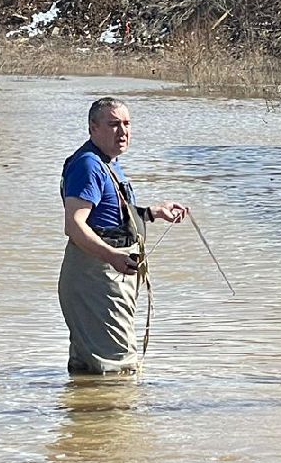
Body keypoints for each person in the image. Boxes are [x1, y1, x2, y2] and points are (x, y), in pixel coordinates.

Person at [59, 97, 189, 373]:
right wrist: (113, 256)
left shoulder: (108, 162)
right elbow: (74, 224)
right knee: (119, 367)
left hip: (108, 270)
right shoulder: (88, 165)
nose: (123, 131)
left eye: (127, 124)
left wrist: (154, 212)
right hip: (97, 273)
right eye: (113, 124)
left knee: (89, 369)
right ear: (93, 128)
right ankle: (120, 415)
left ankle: (86, 413)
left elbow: (111, 216)